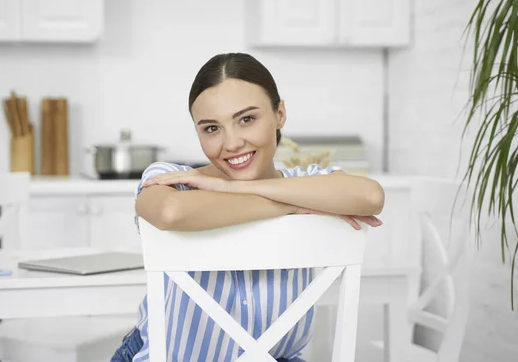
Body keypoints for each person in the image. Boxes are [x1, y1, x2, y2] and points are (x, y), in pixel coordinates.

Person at [111, 53, 385, 362]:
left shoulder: (305, 182)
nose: (231, 143)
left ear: (279, 113)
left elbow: (371, 197)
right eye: (211, 128)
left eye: (247, 119)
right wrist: (291, 206)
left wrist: (235, 188)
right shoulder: (175, 180)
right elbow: (169, 212)